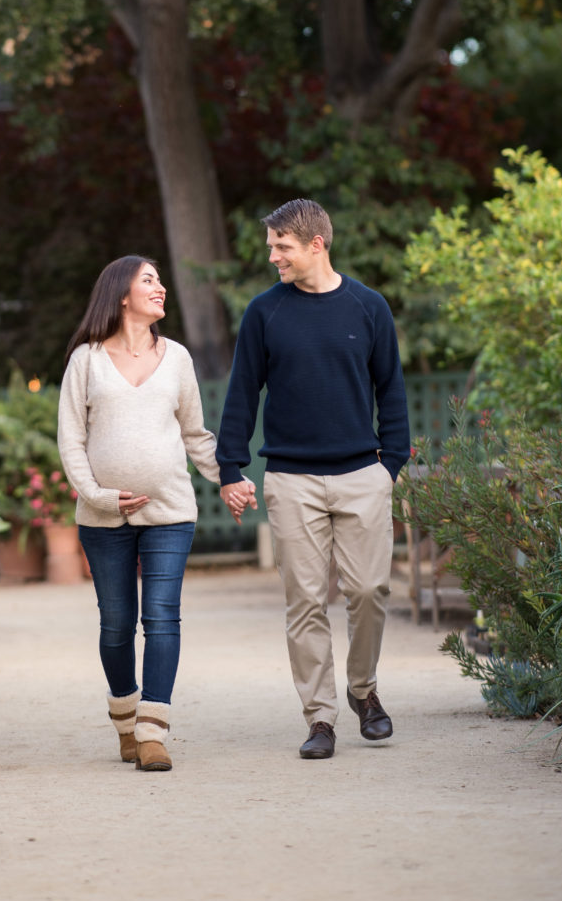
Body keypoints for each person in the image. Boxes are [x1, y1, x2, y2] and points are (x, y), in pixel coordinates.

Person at [217, 198, 410, 760]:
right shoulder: (264, 312)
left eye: (282, 246)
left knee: (370, 591)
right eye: (272, 245)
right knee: (304, 600)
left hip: (361, 473)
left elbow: (391, 389)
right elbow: (242, 392)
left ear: (316, 245)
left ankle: (364, 693)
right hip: (291, 478)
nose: (273, 255)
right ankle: (321, 718)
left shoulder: (369, 307)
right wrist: (231, 467)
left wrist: (389, 465)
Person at [57, 255, 225, 772]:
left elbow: (196, 434)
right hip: (103, 518)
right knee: (116, 624)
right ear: (121, 294)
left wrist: (230, 479)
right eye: (149, 280)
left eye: (159, 280)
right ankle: (125, 718)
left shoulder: (177, 358)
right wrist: (101, 496)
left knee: (161, 617)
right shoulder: (85, 360)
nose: (161, 288)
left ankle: (153, 732)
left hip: (170, 511)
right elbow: (72, 440)